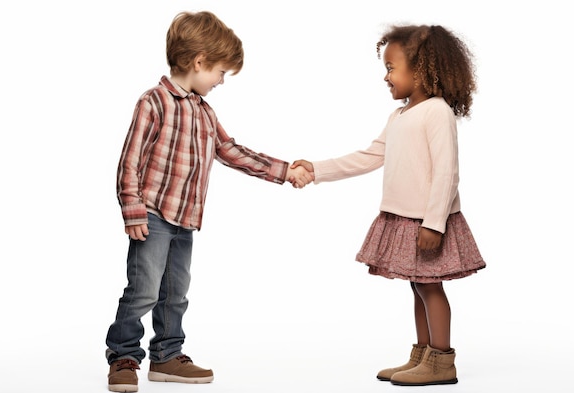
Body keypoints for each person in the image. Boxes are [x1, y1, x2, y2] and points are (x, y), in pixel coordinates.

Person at [105, 10, 312, 393]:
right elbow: (129, 162)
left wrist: (284, 171)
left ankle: (167, 356)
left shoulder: (204, 111)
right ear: (199, 61)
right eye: (220, 72)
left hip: (185, 219)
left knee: (175, 293)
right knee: (144, 290)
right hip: (151, 215)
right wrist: (133, 211)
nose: (220, 81)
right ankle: (123, 356)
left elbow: (231, 151)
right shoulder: (154, 103)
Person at [291, 24, 486, 386]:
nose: (386, 76)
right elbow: (368, 156)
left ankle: (442, 361)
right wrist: (316, 170)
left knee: (430, 286)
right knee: (417, 284)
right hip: (403, 217)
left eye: (392, 68)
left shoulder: (437, 113)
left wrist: (434, 223)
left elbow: (447, 173)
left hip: (426, 220)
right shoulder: (398, 117)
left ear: (422, 69)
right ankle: (423, 354)